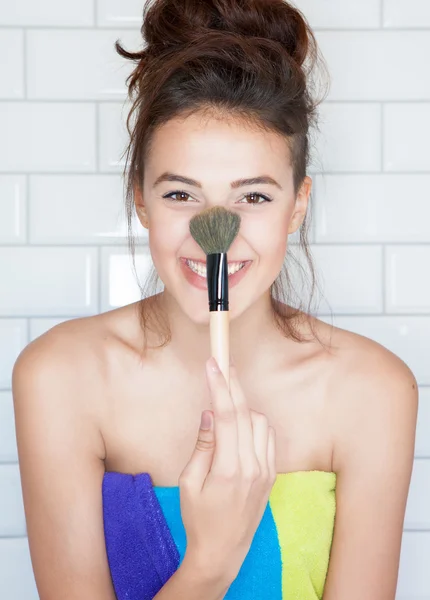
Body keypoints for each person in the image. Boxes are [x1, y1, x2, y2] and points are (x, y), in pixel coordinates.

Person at [12, 1, 418, 599]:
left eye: (254, 197)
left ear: (298, 204)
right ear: (142, 200)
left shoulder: (373, 391)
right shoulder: (61, 378)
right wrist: (212, 559)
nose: (215, 234)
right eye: (181, 193)